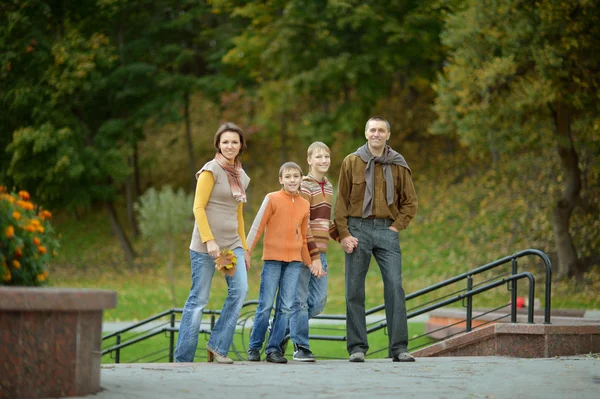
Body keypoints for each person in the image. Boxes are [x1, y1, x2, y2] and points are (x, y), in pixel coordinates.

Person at [334, 116, 418, 363]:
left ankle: (399, 348)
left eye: (381, 130)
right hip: (357, 229)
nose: (376, 134)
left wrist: (396, 227)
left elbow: (410, 201)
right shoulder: (351, 162)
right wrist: (344, 233)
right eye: (372, 130)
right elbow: (341, 202)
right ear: (365, 132)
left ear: (388, 135)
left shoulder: (398, 165)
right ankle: (357, 347)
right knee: (354, 289)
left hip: (386, 230)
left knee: (394, 286)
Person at [175, 122, 250, 364]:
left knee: (240, 291)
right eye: (226, 141)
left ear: (240, 146)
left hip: (231, 245)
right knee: (199, 299)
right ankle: (183, 359)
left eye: (235, 142)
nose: (230, 146)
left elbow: (238, 214)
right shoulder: (210, 171)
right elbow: (198, 207)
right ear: (218, 144)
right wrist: (209, 241)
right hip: (206, 246)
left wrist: (245, 248)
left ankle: (218, 345)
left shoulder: (241, 176)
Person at [245, 162, 322, 364]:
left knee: (286, 307)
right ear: (281, 180)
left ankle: (273, 349)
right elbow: (257, 227)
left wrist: (312, 261)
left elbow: (304, 237)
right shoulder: (272, 199)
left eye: (295, 176)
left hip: (294, 263)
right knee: (265, 305)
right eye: (288, 177)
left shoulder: (305, 204)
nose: (292, 180)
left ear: (301, 179)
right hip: (272, 261)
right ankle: (254, 347)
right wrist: (247, 252)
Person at [286, 142, 337, 362]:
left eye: (326, 156)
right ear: (309, 160)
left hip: (321, 252)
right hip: (303, 252)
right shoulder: (305, 186)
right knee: (300, 302)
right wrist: (313, 256)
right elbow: (302, 222)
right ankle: (301, 348)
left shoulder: (329, 186)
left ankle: (282, 325)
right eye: (318, 157)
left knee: (317, 302)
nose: (323, 160)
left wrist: (343, 238)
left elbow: (325, 221)